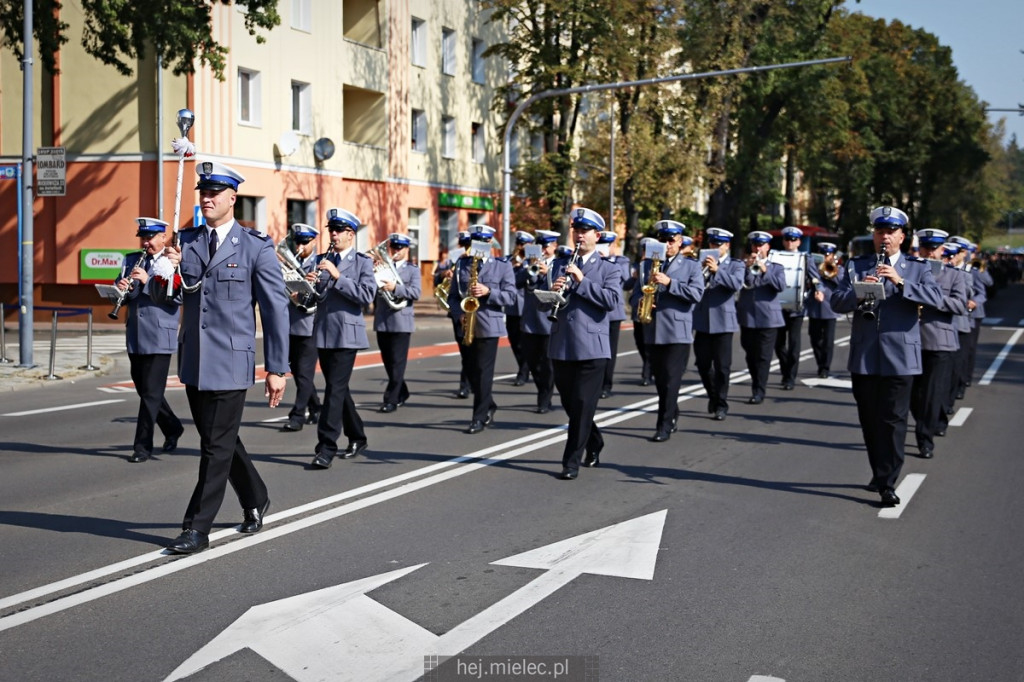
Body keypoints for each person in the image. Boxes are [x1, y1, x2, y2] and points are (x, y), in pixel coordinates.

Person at [159, 161, 289, 555]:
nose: (208, 198)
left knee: (214, 447)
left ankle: (197, 528)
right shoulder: (187, 242)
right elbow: (168, 300)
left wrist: (277, 368)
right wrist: (166, 272)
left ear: (233, 198)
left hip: (232, 362)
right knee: (221, 442)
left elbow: (275, 308)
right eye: (203, 191)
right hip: (196, 360)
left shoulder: (255, 246)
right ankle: (256, 495)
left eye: (216, 192)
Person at [823, 206, 943, 506]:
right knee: (870, 420)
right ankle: (880, 471)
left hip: (901, 355)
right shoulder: (856, 265)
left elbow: (936, 299)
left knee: (894, 420)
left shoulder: (917, 267)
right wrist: (861, 292)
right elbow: (837, 302)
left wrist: (900, 282)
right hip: (865, 355)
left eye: (891, 232)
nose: (884, 237)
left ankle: (888, 482)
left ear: (902, 236)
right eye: (880, 232)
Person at [544, 208, 621, 479]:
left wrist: (582, 280)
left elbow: (611, 301)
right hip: (563, 343)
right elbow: (548, 302)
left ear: (596, 236)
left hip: (592, 346)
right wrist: (553, 292)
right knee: (572, 404)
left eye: (584, 231)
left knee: (582, 402)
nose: (578, 235)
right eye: (575, 230)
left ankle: (570, 463)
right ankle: (595, 440)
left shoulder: (609, 268)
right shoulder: (558, 264)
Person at [308, 208, 377, 469]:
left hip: (347, 334)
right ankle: (358, 436)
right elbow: (317, 298)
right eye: (331, 230)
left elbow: (366, 295)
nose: (333, 235)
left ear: (351, 235)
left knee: (334, 390)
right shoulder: (321, 258)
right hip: (324, 332)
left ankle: (326, 447)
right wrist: (308, 286)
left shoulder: (362, 263)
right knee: (340, 389)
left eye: (338, 231)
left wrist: (338, 276)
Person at [115, 217, 184, 463]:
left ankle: (142, 446)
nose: (146, 242)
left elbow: (177, 298)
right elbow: (124, 292)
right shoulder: (131, 259)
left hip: (160, 335)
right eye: (143, 238)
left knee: (151, 394)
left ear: (162, 237)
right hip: (135, 334)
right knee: (146, 391)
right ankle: (173, 426)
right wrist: (120, 287)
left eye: (151, 237)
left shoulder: (171, 262)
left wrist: (147, 282)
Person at [633, 221, 704, 441]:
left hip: (677, 332)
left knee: (672, 380)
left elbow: (696, 294)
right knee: (661, 380)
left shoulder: (691, 265)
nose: (667, 245)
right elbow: (635, 294)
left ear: (680, 242)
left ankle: (663, 426)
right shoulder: (647, 265)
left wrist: (670, 282)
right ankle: (672, 411)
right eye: (662, 240)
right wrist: (643, 302)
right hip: (653, 330)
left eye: (671, 241)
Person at [447, 225, 516, 434]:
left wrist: (489, 292)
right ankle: (489, 404)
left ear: (490, 244)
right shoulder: (462, 264)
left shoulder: (502, 266)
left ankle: (478, 417)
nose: (478, 246)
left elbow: (511, 297)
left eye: (483, 242)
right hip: (465, 323)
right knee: (470, 370)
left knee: (484, 372)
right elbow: (452, 296)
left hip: (488, 325)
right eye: (475, 242)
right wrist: (457, 313)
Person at [910, 229, 968, 459]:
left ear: (943, 251)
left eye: (935, 248)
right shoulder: (910, 272)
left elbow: (959, 305)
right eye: (926, 248)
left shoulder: (955, 276)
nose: (930, 252)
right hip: (911, 340)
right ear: (920, 249)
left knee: (932, 395)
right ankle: (923, 422)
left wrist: (931, 298)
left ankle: (925, 440)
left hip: (939, 342)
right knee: (913, 395)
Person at [693, 227, 745, 421]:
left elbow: (736, 284)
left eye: (718, 244)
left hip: (723, 321)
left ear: (727, 246)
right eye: (712, 243)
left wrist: (718, 270)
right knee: (703, 364)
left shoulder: (735, 265)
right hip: (702, 320)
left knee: (723, 366)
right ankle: (713, 396)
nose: (714, 247)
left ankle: (721, 403)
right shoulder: (699, 263)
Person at [373, 232, 422, 413]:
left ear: (406, 250)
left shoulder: (412, 269)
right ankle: (403, 391)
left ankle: (390, 399)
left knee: (397, 362)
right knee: (388, 362)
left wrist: (395, 288)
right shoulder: (382, 267)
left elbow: (416, 293)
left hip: (401, 321)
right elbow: (372, 291)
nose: (396, 251)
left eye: (400, 248)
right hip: (383, 320)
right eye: (393, 247)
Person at [280, 223, 323, 432]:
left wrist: (308, 284)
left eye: (305, 242)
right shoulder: (289, 263)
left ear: (313, 242)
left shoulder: (320, 264)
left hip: (310, 326)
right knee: (297, 372)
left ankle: (297, 416)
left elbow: (323, 295)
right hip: (291, 325)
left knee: (305, 373)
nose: (300, 246)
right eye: (298, 242)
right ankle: (316, 406)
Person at [737, 230, 786, 405]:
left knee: (764, 356)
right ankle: (756, 383)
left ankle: (758, 390)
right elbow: (745, 284)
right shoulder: (743, 265)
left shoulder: (776, 267)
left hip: (768, 318)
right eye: (755, 245)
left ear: (768, 247)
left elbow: (780, 286)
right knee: (750, 355)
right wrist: (747, 267)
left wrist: (765, 270)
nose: (758, 248)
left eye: (761, 245)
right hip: (748, 317)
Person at [519, 229, 560, 413]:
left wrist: (546, 273)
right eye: (540, 246)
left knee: (547, 363)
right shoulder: (528, 264)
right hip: (529, 319)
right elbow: (515, 281)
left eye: (546, 246)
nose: (543, 250)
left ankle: (545, 398)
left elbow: (558, 289)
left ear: (554, 247)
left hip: (547, 321)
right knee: (532, 360)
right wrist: (529, 270)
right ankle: (541, 389)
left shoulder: (559, 265)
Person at [436, 231, 473, 399]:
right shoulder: (454, 261)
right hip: (458, 311)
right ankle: (466, 384)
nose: (464, 248)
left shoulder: (478, 261)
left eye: (467, 244)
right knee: (465, 351)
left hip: (477, 311)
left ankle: (471, 383)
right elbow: (438, 279)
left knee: (477, 351)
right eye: (463, 244)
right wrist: (445, 275)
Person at [773, 226, 808, 390]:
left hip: (796, 309)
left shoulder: (804, 258)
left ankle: (790, 377)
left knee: (794, 345)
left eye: (793, 240)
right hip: (778, 308)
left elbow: (815, 278)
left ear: (799, 241)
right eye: (787, 239)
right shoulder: (775, 257)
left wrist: (818, 290)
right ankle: (785, 370)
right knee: (778, 344)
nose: (789, 242)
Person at [598, 230, 631, 398]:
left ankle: (606, 385)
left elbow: (626, 279)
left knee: (609, 351)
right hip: (597, 310)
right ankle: (596, 383)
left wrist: (611, 260)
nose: (604, 248)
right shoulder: (594, 260)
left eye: (608, 244)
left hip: (614, 313)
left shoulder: (621, 261)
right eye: (602, 244)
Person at [806, 242, 843, 379]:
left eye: (827, 255)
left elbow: (842, 282)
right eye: (822, 254)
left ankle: (825, 368)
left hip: (830, 307)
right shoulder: (812, 267)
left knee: (828, 341)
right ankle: (820, 362)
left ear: (832, 255)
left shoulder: (837, 268)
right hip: (815, 307)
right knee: (815, 339)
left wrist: (830, 272)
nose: (825, 257)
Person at [506, 231, 535, 386]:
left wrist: (521, 267)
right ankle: (523, 367)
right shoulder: (509, 261)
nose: (520, 247)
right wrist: (512, 266)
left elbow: (523, 279)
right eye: (518, 243)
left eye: (523, 244)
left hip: (525, 307)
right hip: (511, 307)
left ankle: (523, 372)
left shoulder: (532, 262)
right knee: (514, 341)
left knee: (525, 342)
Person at [627, 237, 656, 387]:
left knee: (648, 344)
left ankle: (647, 374)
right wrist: (634, 276)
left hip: (653, 312)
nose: (645, 253)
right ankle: (650, 367)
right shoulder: (638, 266)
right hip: (638, 313)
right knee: (639, 342)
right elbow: (628, 287)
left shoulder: (656, 266)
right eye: (644, 250)